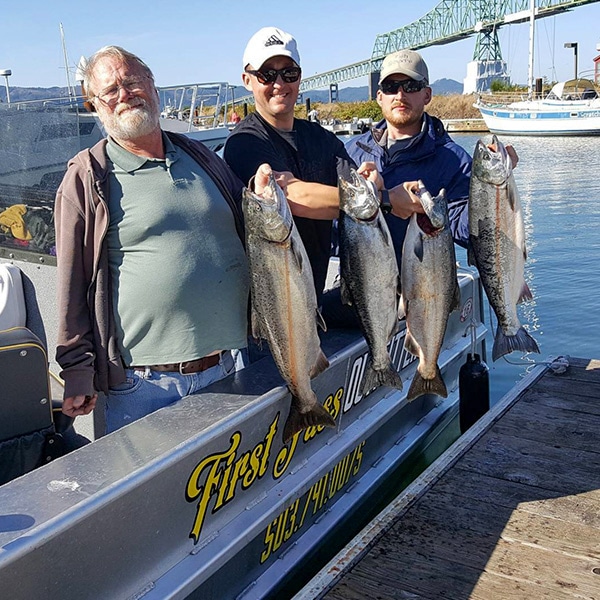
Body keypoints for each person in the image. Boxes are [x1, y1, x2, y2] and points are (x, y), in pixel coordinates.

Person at [54, 46, 268, 434]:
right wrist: (77, 370)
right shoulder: (88, 177)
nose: (125, 95)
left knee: (238, 494)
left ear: (152, 86)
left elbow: (251, 221)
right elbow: (72, 283)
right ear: (96, 105)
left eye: (132, 81)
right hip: (145, 386)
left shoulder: (199, 155)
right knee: (154, 497)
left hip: (229, 367)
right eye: (111, 90)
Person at [223, 26, 381, 306]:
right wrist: (381, 199)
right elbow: (292, 199)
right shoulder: (243, 143)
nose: (279, 83)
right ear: (247, 80)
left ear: (300, 76)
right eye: (266, 74)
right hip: (268, 309)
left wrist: (371, 185)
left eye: (289, 73)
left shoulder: (322, 138)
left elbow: (355, 189)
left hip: (313, 297)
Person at [346, 49, 517, 268]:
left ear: (427, 94)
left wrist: (496, 189)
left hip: (427, 289)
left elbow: (470, 232)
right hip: (363, 289)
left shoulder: (454, 160)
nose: (400, 96)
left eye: (410, 86)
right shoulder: (351, 152)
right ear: (379, 97)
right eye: (390, 88)